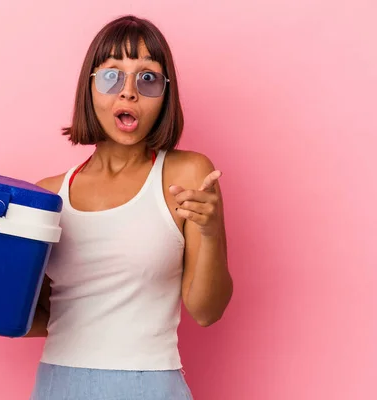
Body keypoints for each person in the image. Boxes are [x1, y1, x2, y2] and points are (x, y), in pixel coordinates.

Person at [26, 15, 233, 400]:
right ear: (88, 88)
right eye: (111, 77)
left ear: (165, 95)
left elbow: (207, 312)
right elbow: (33, 315)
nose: (129, 93)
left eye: (147, 78)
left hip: (150, 386)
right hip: (58, 386)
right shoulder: (47, 196)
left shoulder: (187, 174)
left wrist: (211, 229)